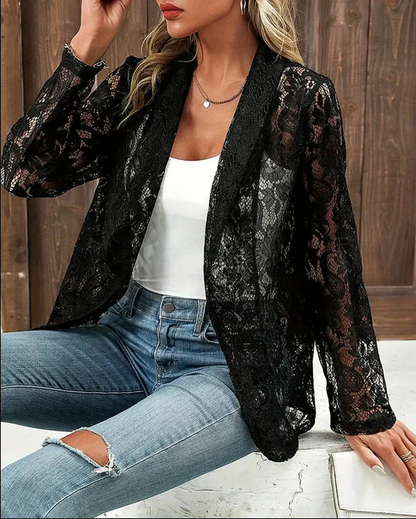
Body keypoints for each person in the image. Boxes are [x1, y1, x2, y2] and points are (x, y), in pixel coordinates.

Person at [1, 0, 415, 516]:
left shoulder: (299, 98)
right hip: (121, 343)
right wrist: (89, 43)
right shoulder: (146, 85)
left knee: (29, 488)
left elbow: (330, 255)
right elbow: (26, 172)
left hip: (229, 369)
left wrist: (363, 408)